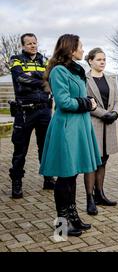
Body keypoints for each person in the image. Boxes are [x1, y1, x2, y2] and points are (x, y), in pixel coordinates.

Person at [40, 34, 101, 237]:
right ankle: (61, 225)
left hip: (80, 126)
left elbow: (78, 96)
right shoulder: (59, 71)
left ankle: (73, 218)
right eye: (81, 47)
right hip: (67, 128)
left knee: (72, 175)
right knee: (65, 177)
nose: (83, 50)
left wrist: (87, 100)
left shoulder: (76, 71)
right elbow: (64, 102)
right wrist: (87, 103)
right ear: (70, 49)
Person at [8, 33, 55, 198]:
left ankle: (48, 179)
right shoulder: (16, 59)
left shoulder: (46, 60)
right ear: (23, 45)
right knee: (20, 149)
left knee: (46, 147)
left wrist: (35, 77)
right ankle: (16, 182)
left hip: (44, 111)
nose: (33, 46)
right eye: (29, 43)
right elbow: (20, 78)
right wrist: (42, 81)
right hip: (24, 112)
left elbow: (52, 79)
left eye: (34, 43)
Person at [84, 48, 118, 215]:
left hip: (109, 124)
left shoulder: (111, 79)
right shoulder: (84, 79)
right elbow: (87, 102)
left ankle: (100, 194)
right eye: (99, 59)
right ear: (90, 61)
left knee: (103, 159)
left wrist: (115, 113)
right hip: (94, 123)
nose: (102, 62)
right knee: (92, 161)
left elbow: (117, 100)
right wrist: (105, 114)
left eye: (104, 59)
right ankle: (89, 198)